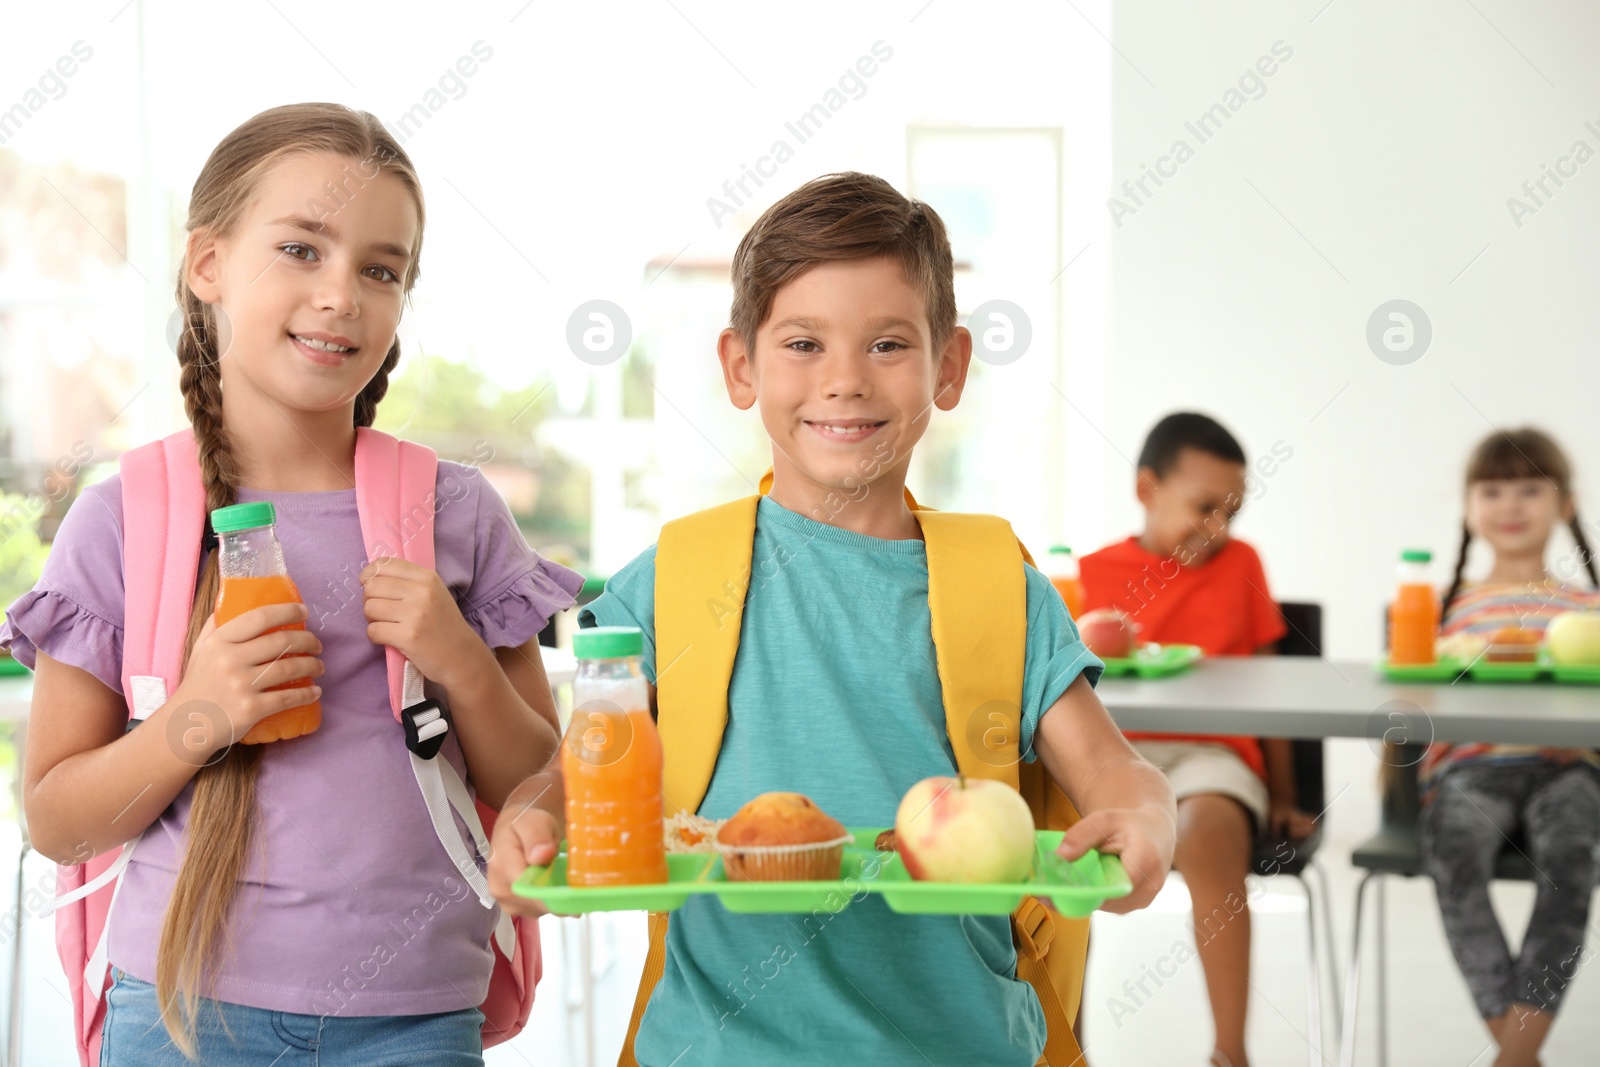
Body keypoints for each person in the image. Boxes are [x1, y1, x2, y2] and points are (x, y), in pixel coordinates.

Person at [487, 171, 1177, 1066]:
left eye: (888, 343)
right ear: (742, 367)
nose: (845, 380)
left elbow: (1118, 773)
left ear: (951, 364)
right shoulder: (673, 580)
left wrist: (1146, 820)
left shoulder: (998, 586)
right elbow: (574, 771)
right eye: (804, 343)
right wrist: (534, 816)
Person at [0, 103, 581, 1063]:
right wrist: (198, 716)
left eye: (380, 269)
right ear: (208, 264)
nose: (342, 294)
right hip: (179, 1015)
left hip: (415, 1016)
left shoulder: (457, 513)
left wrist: (460, 661)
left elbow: (540, 786)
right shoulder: (122, 522)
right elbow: (59, 823)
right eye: (302, 250)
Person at [1078, 412, 1313, 1067]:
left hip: (1213, 757)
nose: (1219, 529)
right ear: (1147, 489)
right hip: (1115, 757)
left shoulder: (1243, 565)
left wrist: (1288, 796)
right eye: (1205, 507)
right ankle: (1063, 1050)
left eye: (1231, 512)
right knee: (1062, 850)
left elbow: (1270, 692)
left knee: (1209, 827)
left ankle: (1229, 1052)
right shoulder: (1090, 575)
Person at [1417, 427, 1600, 1067]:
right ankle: (1520, 1052)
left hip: (1568, 769)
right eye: (1492, 490)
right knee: (1455, 851)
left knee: (1572, 855)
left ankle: (1515, 1053)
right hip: (1471, 770)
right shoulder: (1442, 611)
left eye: (1530, 489)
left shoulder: (1590, 608)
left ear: (1565, 506)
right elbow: (1413, 710)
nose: (1511, 505)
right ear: (1470, 508)